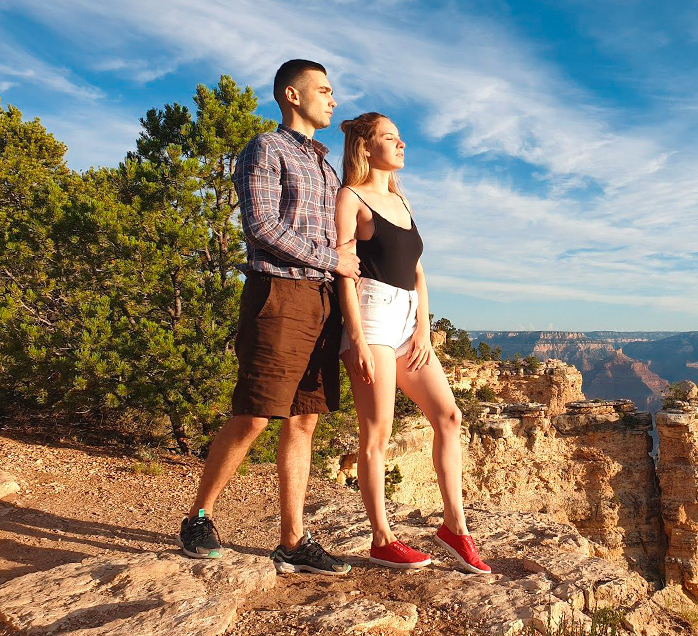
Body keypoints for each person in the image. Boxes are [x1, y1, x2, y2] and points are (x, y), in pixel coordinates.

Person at [177, 59, 361, 576]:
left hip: (323, 302)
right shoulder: (265, 148)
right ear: (292, 95)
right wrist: (333, 260)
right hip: (280, 294)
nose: (333, 99)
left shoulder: (326, 166)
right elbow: (261, 227)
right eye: (324, 90)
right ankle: (199, 515)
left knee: (304, 419)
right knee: (257, 411)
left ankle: (293, 540)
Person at [336, 112, 491, 574]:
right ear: (366, 147)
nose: (401, 144)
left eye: (400, 137)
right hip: (370, 317)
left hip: (407, 321)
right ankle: (382, 539)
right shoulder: (351, 197)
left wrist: (423, 328)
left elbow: (418, 272)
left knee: (449, 415)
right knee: (378, 431)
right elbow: (344, 271)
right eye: (390, 138)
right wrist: (358, 340)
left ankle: (455, 529)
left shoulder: (401, 200)